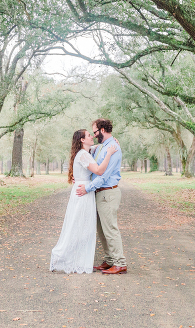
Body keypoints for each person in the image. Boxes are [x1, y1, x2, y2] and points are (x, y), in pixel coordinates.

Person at [50, 129, 116, 273]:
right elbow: (99, 171)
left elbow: (96, 147)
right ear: (82, 140)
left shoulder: (84, 152)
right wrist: (109, 154)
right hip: (83, 193)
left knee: (82, 226)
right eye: (88, 135)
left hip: (83, 190)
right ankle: (67, 257)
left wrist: (109, 143)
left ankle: (77, 259)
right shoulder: (84, 155)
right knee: (80, 226)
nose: (92, 137)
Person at [75, 118, 126, 275]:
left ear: (102, 130)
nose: (95, 135)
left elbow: (103, 176)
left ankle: (119, 263)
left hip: (108, 192)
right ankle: (109, 260)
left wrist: (87, 188)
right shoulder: (102, 147)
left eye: (95, 132)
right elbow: (88, 162)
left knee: (110, 228)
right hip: (99, 193)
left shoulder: (113, 148)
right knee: (102, 229)